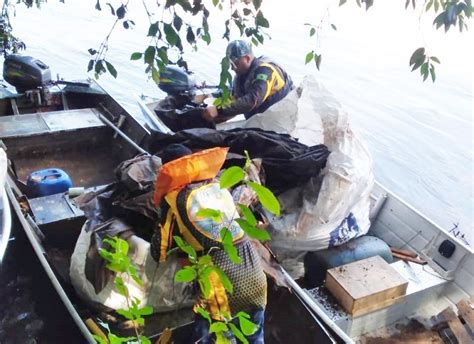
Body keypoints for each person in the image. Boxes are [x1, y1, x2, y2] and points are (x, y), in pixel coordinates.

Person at [150, 144, 267, 344]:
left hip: (221, 285)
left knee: (209, 336)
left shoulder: (174, 199)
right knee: (254, 338)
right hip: (255, 275)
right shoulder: (218, 186)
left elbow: (159, 250)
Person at [202, 40, 294, 123]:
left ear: (247, 58)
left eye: (235, 63)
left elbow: (253, 100)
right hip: (261, 117)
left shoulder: (265, 72)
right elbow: (237, 98)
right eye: (231, 64)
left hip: (280, 119)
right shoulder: (240, 75)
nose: (232, 68)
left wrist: (218, 110)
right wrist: (216, 109)